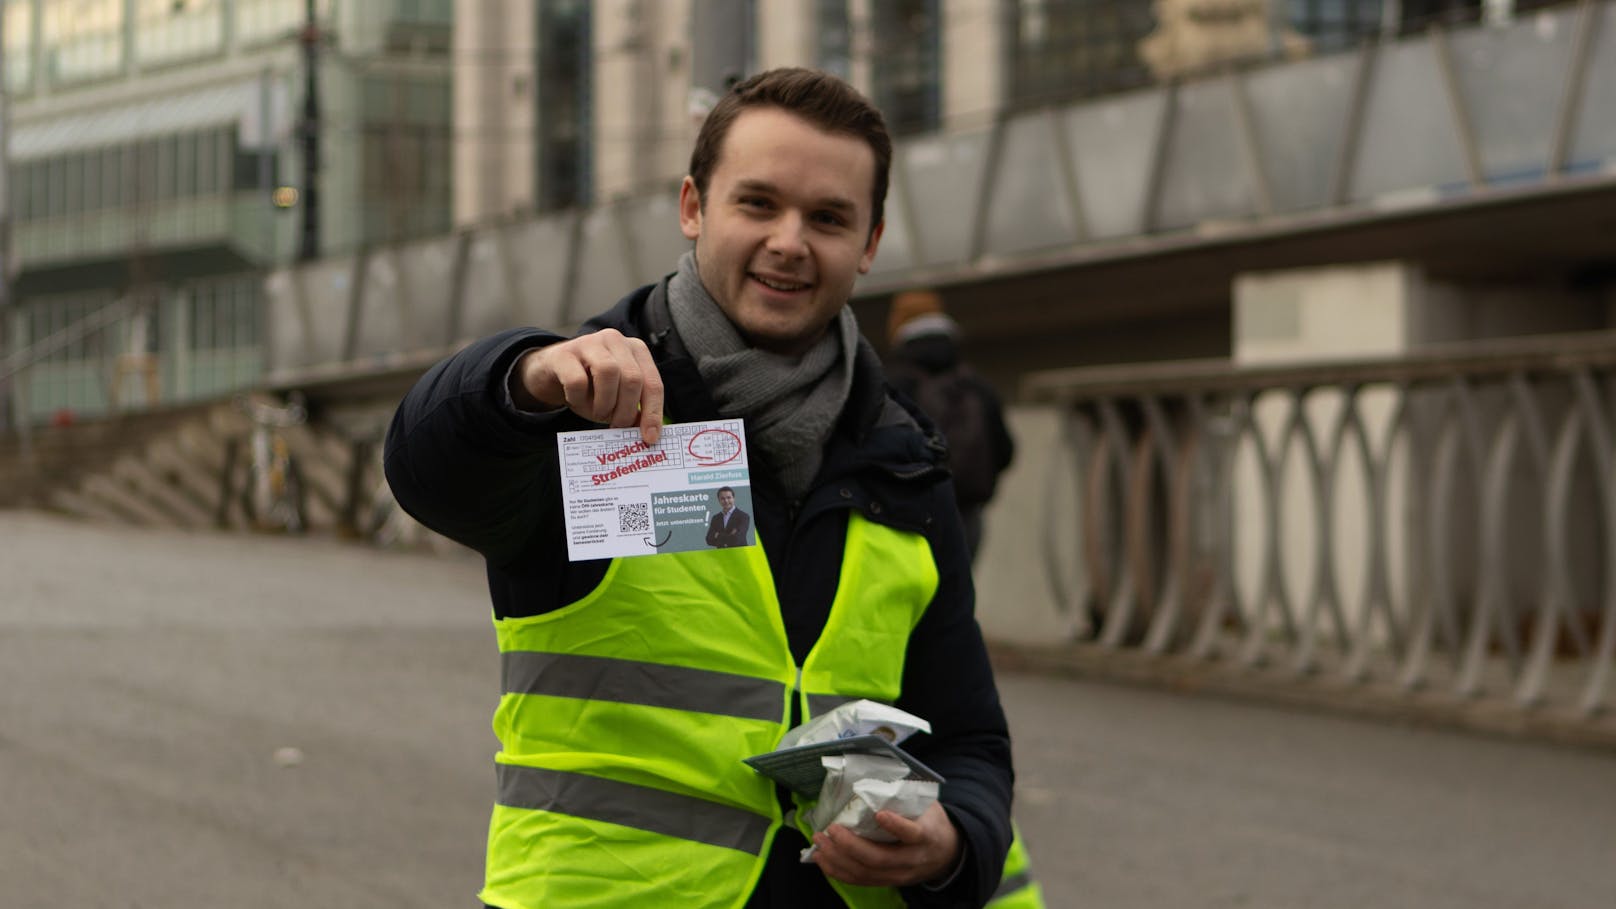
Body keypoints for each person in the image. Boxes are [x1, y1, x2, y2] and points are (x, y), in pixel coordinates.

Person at [385, 68, 1040, 908]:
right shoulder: (591, 404)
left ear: (870, 243)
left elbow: (969, 738)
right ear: (694, 207)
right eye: (757, 204)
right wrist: (522, 374)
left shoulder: (901, 458)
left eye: (829, 218)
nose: (790, 242)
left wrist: (953, 843)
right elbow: (425, 467)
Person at [883, 291, 1015, 563]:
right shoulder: (977, 386)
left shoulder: (892, 385)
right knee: (958, 597)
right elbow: (1005, 451)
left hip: (906, 516)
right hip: (966, 515)